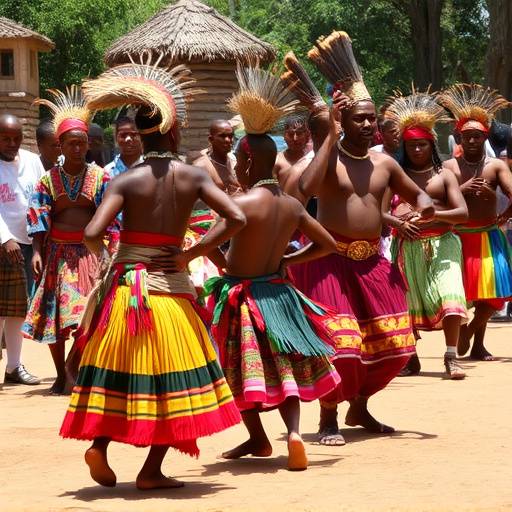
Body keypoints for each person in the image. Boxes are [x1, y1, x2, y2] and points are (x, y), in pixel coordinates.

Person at [59, 61, 245, 490]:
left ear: (141, 134)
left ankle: (101, 446)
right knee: (174, 382)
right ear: (174, 131)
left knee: (119, 372)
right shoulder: (195, 175)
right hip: (171, 290)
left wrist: (113, 257)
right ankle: (150, 471)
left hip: (128, 290)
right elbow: (234, 216)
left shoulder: (126, 179)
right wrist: (192, 252)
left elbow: (91, 232)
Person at [290, 31, 434, 445]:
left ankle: (359, 408)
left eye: (372, 118)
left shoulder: (385, 163)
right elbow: (302, 192)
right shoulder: (326, 160)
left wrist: (423, 205)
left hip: (373, 262)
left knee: (395, 345)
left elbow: (417, 192)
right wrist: (330, 134)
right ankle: (328, 418)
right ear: (343, 121)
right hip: (328, 260)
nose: (369, 125)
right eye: (360, 118)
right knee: (342, 346)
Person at [204, 65, 341, 471]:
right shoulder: (291, 204)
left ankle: (259, 437)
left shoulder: (240, 204)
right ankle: (293, 434)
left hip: (243, 297)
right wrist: (288, 260)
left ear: (246, 161)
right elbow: (329, 244)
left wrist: (208, 260)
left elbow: (210, 244)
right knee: (287, 368)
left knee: (233, 370)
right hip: (280, 294)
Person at [23, 87, 111, 395]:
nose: (77, 149)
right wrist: (36, 252)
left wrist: (107, 254)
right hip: (58, 255)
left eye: (82, 143)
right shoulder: (47, 181)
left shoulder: (101, 177)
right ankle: (62, 375)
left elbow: (110, 219)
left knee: (88, 317)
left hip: (90, 256)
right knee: (57, 320)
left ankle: (82, 373)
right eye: (71, 144)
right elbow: (37, 220)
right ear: (59, 145)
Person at [382, 91, 468, 379]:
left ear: (431, 145)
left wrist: (435, 215)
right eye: (411, 145)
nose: (417, 150)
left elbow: (462, 213)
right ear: (404, 148)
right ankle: (411, 359)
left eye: (421, 144)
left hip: (443, 244)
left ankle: (451, 357)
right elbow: (379, 212)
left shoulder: (444, 175)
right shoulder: (395, 175)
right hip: (407, 245)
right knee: (407, 303)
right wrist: (398, 223)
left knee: (450, 295)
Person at [439, 84, 512, 361]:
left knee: (493, 294)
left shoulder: (496, 167)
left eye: (477, 137)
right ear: (459, 137)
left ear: (485, 137)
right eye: (467, 136)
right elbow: (436, 201)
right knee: (462, 294)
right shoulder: (448, 168)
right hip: (457, 237)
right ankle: (473, 342)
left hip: (488, 236)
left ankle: (470, 333)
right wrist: (463, 189)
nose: (471, 141)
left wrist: (505, 215)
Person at [0, 114, 43, 385]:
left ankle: (14, 367)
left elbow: (40, 198)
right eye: (6, 138)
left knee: (18, 309)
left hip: (27, 245)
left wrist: (39, 241)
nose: (12, 143)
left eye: (17, 138)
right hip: (4, 245)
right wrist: (5, 239)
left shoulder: (32, 160)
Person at [191, 119, 240, 194]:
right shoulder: (201, 166)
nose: (228, 140)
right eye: (222, 136)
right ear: (211, 139)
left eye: (230, 136)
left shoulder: (235, 161)